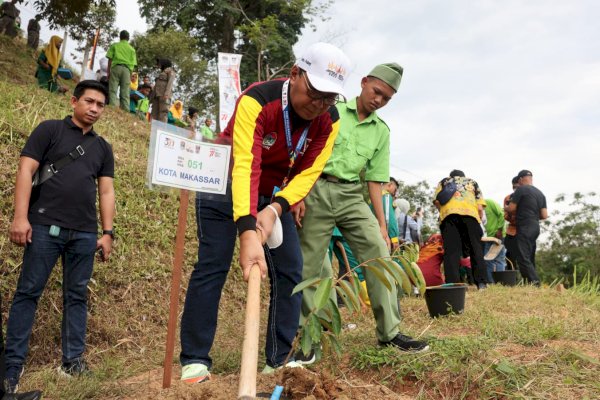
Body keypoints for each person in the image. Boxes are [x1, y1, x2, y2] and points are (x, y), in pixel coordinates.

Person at [178, 42, 350, 384]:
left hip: (275, 194)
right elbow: (245, 165)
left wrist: (274, 208)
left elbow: (309, 173)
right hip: (225, 182)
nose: (319, 104)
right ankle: (195, 359)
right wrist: (247, 231)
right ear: (296, 74)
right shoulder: (258, 100)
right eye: (315, 92)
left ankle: (279, 358)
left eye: (329, 98)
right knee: (213, 263)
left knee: (290, 269)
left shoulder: (329, 121)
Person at [296, 62, 429, 360]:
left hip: (352, 195)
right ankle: (315, 337)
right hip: (316, 188)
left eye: (386, 98)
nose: (379, 100)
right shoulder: (332, 110)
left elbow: (375, 180)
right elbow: (305, 151)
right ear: (364, 82)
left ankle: (390, 333)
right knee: (313, 264)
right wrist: (299, 193)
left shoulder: (381, 131)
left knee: (379, 253)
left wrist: (382, 223)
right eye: (377, 91)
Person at [3, 80, 115, 393]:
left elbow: (106, 190)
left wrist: (107, 233)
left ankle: (73, 362)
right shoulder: (49, 130)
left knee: (77, 295)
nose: (94, 109)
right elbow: (26, 171)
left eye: (100, 105)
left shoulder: (102, 148)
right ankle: (11, 369)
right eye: (89, 102)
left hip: (83, 233)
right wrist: (20, 217)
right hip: (42, 227)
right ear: (74, 102)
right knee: (28, 293)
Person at [433, 169, 488, 289]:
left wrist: (443, 213)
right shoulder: (472, 182)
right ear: (463, 177)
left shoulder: (444, 181)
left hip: (449, 217)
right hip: (470, 216)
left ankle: (453, 284)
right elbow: (479, 208)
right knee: (475, 248)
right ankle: (481, 283)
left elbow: (437, 201)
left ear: (451, 176)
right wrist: (477, 221)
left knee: (452, 251)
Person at [506, 170, 547, 285]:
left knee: (523, 257)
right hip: (535, 227)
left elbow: (512, 208)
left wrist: (506, 208)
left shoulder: (521, 189)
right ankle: (530, 284)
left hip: (524, 226)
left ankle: (535, 283)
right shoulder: (540, 193)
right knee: (529, 256)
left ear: (520, 180)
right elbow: (544, 215)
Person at [106, 30, 137, 110]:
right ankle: (125, 109)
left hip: (116, 68)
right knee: (125, 91)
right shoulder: (132, 49)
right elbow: (133, 64)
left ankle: (112, 107)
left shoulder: (115, 45)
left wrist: (108, 72)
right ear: (128, 38)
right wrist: (130, 75)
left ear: (120, 37)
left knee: (113, 89)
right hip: (127, 70)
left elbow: (110, 59)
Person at [483, 198, 507, 282]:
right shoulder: (475, 208)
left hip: (498, 236)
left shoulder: (490, 202)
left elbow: (502, 214)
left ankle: (501, 283)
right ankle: (491, 283)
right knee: (487, 260)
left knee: (499, 260)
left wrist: (499, 229)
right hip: (487, 238)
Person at [150, 58, 175, 122]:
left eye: (159, 63)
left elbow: (170, 83)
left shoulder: (170, 71)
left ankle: (161, 128)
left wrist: (166, 94)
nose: (158, 65)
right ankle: (152, 128)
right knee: (154, 112)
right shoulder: (162, 72)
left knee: (163, 112)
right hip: (156, 95)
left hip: (164, 95)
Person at [503, 176, 520, 267]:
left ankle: (529, 280)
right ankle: (512, 280)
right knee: (509, 256)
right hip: (512, 230)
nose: (516, 189)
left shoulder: (528, 197)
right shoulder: (508, 198)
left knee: (524, 257)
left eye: (518, 187)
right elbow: (505, 215)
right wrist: (510, 212)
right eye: (515, 187)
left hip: (525, 230)